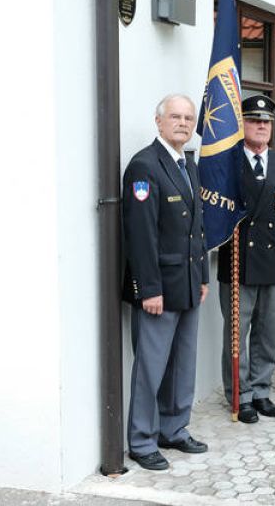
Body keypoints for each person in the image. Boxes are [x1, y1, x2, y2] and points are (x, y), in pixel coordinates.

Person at [122, 94, 209, 470]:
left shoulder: (187, 164)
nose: (183, 123)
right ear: (158, 122)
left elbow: (197, 228)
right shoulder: (144, 165)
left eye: (189, 118)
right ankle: (142, 441)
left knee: (182, 365)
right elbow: (140, 236)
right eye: (175, 116)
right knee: (151, 367)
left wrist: (203, 276)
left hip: (188, 284)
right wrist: (149, 289)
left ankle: (173, 429)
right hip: (159, 289)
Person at [217, 94, 275, 424]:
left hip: (272, 265)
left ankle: (262, 390)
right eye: (254, 121)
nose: (261, 127)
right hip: (237, 263)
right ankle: (240, 393)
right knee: (237, 334)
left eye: (266, 122)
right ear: (244, 125)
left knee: (267, 334)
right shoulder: (226, 162)